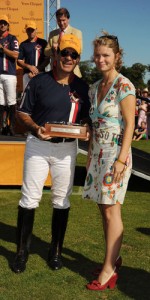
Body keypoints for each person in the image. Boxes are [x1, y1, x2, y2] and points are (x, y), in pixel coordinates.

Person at [11, 34, 91, 274]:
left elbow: (86, 118)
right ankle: (21, 252)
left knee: (61, 200)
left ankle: (55, 251)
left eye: (73, 55)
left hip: (67, 149)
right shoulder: (38, 81)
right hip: (38, 145)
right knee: (29, 199)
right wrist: (36, 128)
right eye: (64, 53)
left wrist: (86, 129)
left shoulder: (82, 87)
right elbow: (21, 112)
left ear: (77, 59)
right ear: (55, 55)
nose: (68, 58)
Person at [83, 32, 136, 291]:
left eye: (106, 55)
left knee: (112, 209)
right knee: (103, 210)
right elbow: (94, 125)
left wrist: (121, 159)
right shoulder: (94, 87)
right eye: (97, 55)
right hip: (98, 156)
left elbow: (130, 125)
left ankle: (109, 270)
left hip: (116, 155)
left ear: (117, 56)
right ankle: (112, 259)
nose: (101, 59)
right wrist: (91, 154)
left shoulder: (124, 85)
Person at [44, 7, 83, 77]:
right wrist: (52, 49)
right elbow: (46, 52)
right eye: (59, 20)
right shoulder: (52, 34)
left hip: (72, 73)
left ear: (68, 19)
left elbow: (79, 51)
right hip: (55, 74)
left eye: (63, 20)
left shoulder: (77, 33)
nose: (61, 23)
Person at [0, 14, 19, 135]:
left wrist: (3, 49)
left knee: (12, 102)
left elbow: (16, 55)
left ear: (8, 25)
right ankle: (2, 127)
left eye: (4, 23)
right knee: (0, 103)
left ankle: (11, 126)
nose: (2, 25)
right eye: (0, 23)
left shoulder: (12, 38)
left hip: (10, 74)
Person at [17, 21, 49, 91]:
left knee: (41, 97)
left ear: (36, 30)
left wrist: (37, 70)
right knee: (27, 97)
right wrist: (29, 67)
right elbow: (19, 61)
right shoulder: (23, 44)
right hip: (27, 75)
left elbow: (47, 59)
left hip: (41, 74)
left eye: (32, 29)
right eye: (29, 30)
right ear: (26, 31)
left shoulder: (43, 42)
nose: (31, 32)